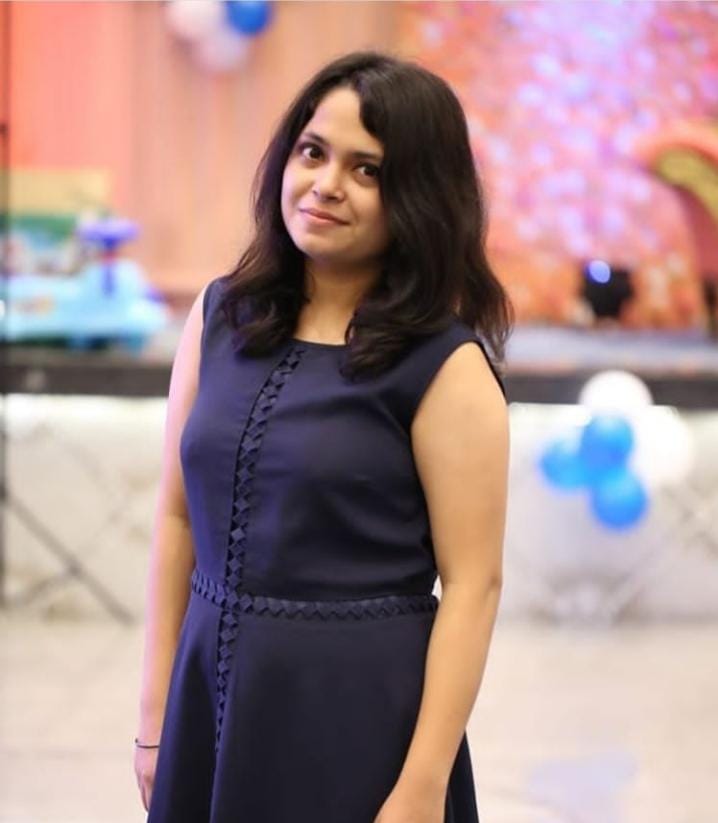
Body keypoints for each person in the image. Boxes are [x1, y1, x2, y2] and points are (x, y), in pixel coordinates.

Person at [135, 49, 512, 823]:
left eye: (367, 170)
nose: (327, 184)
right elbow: (176, 520)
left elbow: (473, 585)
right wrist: (155, 714)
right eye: (313, 152)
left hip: (358, 718)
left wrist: (422, 785)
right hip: (209, 695)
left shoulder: (446, 366)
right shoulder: (219, 318)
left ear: (419, 196)